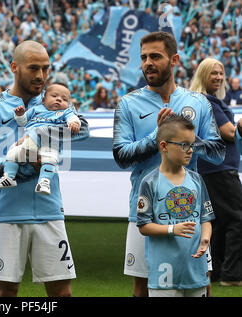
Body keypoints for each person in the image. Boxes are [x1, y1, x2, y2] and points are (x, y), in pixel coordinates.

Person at [0, 40, 89, 297]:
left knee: (62, 292)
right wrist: (26, 166)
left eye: (45, 68)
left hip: (49, 210)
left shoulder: (52, 101)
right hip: (8, 213)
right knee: (5, 293)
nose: (41, 76)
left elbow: (83, 130)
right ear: (14, 67)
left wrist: (44, 132)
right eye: (34, 68)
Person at [112, 31, 225, 297]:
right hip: (144, 213)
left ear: (174, 60)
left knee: (201, 285)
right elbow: (120, 156)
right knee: (142, 288)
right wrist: (158, 136)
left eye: (155, 56)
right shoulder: (128, 104)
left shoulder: (198, 103)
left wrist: (184, 139)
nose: (148, 63)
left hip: (191, 212)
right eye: (143, 57)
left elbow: (218, 153)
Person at [137, 114, 214, 297]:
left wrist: (205, 238)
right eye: (184, 145)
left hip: (195, 270)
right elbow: (143, 226)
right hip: (164, 273)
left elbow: (206, 218)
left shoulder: (196, 179)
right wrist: (173, 229)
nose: (190, 150)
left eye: (192, 145)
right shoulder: (149, 182)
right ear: (164, 146)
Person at [190, 58, 242, 287]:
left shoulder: (200, 101)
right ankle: (232, 275)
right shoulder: (209, 101)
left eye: (221, 73)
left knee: (219, 222)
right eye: (214, 73)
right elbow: (229, 133)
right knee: (238, 218)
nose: (219, 77)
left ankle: (219, 271)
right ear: (203, 75)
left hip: (210, 169)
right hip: (221, 170)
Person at [0, 82, 81, 195]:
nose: (59, 99)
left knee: (51, 158)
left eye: (64, 99)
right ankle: (9, 177)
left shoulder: (65, 112)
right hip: (27, 141)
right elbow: (22, 122)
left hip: (48, 143)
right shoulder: (36, 109)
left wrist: (74, 123)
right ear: (44, 100)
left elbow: (73, 118)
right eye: (54, 96)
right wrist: (20, 115)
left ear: (68, 104)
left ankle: (44, 181)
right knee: (13, 151)